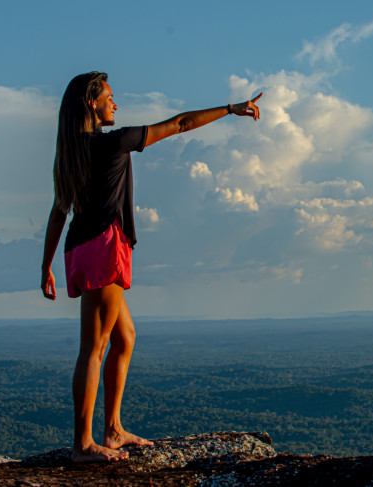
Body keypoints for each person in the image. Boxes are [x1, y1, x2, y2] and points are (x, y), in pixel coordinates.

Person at [40, 71, 261, 462]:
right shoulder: (114, 143)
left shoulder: (72, 153)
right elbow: (180, 124)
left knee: (124, 338)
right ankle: (83, 445)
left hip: (83, 249)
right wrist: (231, 109)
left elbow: (59, 212)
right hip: (103, 246)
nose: (115, 103)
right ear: (92, 103)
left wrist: (47, 267)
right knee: (94, 348)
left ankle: (112, 430)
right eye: (109, 97)